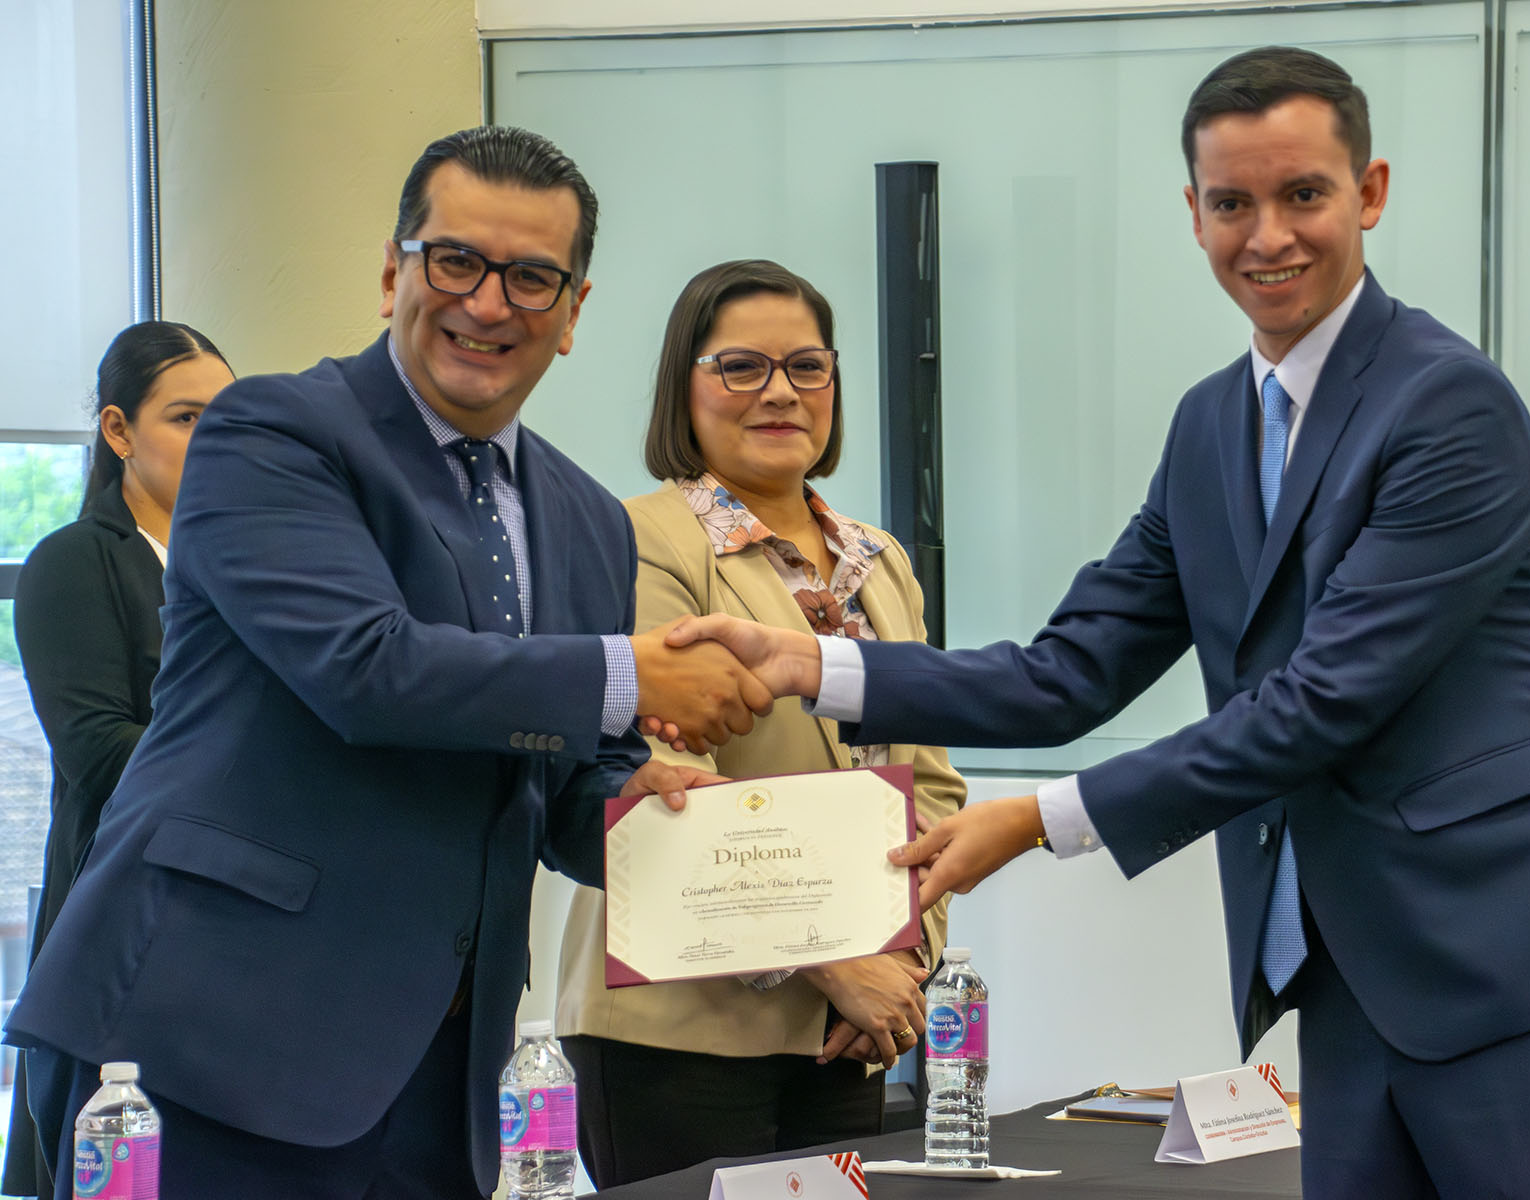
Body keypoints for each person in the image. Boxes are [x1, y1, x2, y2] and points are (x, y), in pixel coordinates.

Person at [663, 47, 1530, 1199]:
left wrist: (1041, 820)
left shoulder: (1448, 403)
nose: (1269, 237)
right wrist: (814, 664)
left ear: (1374, 192)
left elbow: (1324, 700)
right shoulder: (1212, 424)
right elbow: (1068, 672)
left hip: (1518, 965)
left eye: (1304, 194)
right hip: (1345, 976)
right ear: (1191, 213)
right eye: (1233, 203)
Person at [2, 126, 771, 1200]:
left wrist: (657, 809)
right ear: (391, 272)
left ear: (575, 313)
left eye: (533, 277)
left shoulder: (590, 520)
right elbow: (367, 670)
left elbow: (555, 782)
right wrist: (634, 675)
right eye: (454, 260)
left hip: (442, 1072)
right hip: (209, 1043)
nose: (489, 302)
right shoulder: (272, 434)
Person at [555, 259, 966, 1187]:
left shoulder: (881, 559)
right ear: (684, 386)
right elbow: (658, 781)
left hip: (853, 1023)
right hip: (681, 1022)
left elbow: (930, 781)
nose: (780, 392)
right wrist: (836, 960)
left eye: (806, 367)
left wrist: (901, 960)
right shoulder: (639, 539)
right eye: (741, 367)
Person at [2, 321, 234, 1200]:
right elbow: (101, 752)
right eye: (185, 417)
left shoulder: (259, 570)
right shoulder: (74, 563)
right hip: (124, 931)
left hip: (242, 940)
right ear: (118, 430)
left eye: (229, 418)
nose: (213, 439)